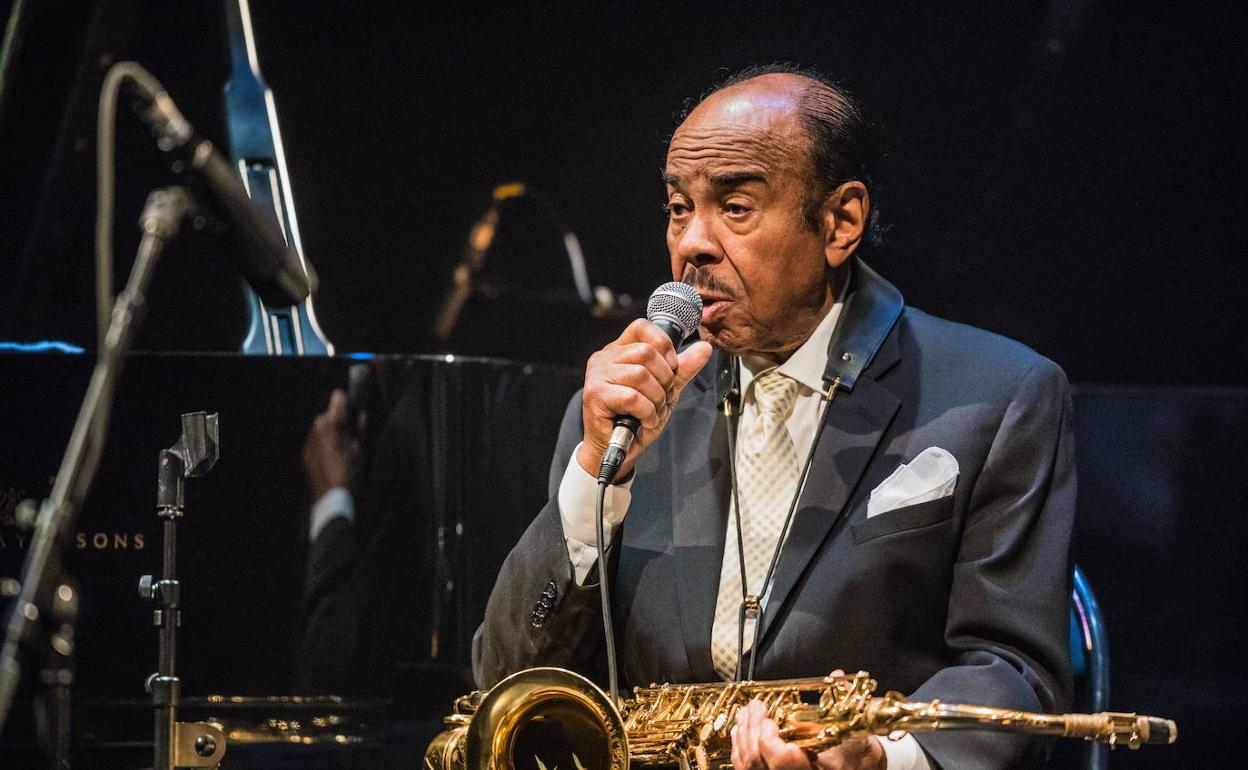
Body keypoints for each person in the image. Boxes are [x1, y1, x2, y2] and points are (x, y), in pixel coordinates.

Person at [473, 64, 1075, 770]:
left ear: (840, 222)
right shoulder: (617, 414)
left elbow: (1016, 672)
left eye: (734, 207)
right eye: (677, 208)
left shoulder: (1001, 395)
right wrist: (591, 478)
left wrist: (878, 757)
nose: (691, 243)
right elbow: (505, 684)